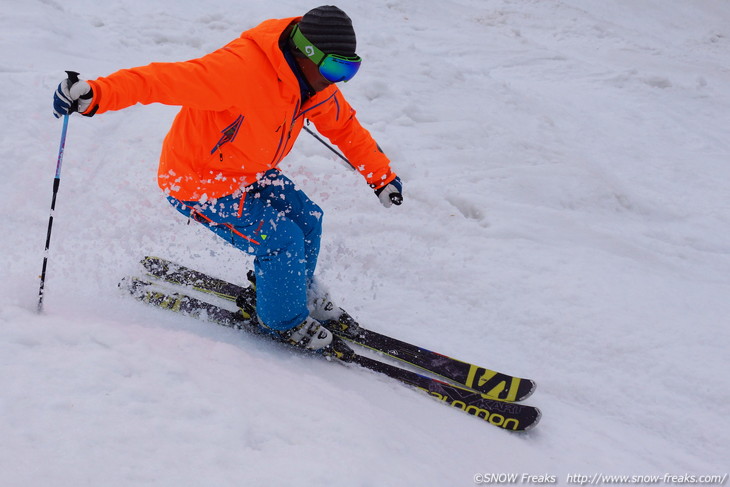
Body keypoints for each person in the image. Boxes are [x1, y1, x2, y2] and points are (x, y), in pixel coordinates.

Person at [52, 5, 403, 355]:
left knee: (308, 220)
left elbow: (343, 126)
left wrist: (381, 176)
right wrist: (97, 94)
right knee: (281, 241)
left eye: (349, 69)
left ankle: (292, 288)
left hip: (249, 171)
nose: (338, 78)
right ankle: (283, 321)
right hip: (198, 181)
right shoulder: (239, 70)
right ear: (305, 53)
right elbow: (161, 80)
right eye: (335, 66)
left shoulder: (314, 84)